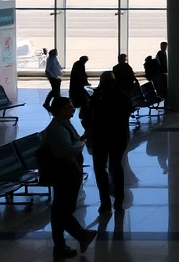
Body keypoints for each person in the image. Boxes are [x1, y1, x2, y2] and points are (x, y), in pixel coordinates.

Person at [41, 97, 98, 258]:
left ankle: (61, 244)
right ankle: (79, 235)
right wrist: (80, 145)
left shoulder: (64, 125)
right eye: (69, 107)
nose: (72, 109)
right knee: (61, 210)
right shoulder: (57, 129)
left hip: (68, 173)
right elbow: (67, 151)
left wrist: (82, 139)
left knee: (60, 209)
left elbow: (72, 143)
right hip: (64, 174)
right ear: (59, 110)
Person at [86, 72, 133, 213]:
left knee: (100, 169)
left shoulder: (97, 98)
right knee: (116, 166)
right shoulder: (122, 96)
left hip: (100, 138)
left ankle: (105, 201)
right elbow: (127, 113)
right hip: (118, 137)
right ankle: (119, 198)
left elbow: (86, 114)